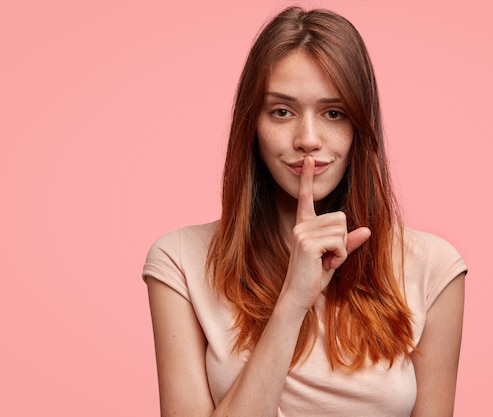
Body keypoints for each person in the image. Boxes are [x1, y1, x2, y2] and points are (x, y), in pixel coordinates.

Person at [143, 6, 467, 417]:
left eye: (334, 113)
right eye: (282, 111)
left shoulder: (433, 268)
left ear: (360, 128)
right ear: (252, 124)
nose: (308, 139)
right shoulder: (180, 261)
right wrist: (293, 300)